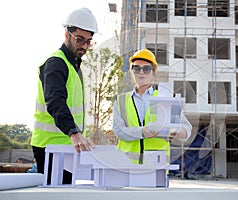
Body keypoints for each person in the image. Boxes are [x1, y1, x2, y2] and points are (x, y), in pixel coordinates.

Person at [30, 7, 98, 184]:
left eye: (88, 41)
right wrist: (74, 132)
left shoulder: (73, 65)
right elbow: (55, 101)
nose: (84, 46)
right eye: (80, 39)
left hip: (66, 146)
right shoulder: (56, 63)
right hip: (50, 146)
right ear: (67, 35)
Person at [113, 48, 192, 164]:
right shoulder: (121, 101)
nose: (141, 72)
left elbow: (186, 128)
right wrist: (142, 132)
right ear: (131, 72)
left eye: (146, 69)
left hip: (156, 166)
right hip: (125, 165)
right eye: (136, 68)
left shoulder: (166, 97)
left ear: (153, 72)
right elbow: (119, 131)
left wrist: (179, 132)